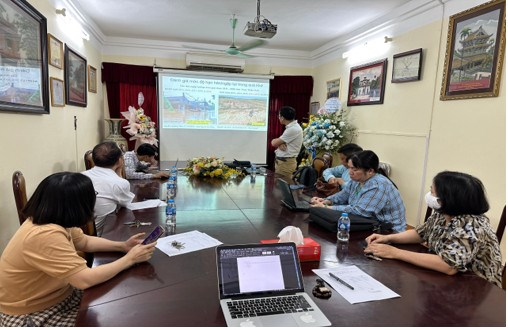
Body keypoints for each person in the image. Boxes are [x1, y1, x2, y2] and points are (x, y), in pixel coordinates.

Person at [0, 172, 156, 326]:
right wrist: (130, 259)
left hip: (61, 296)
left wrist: (122, 246)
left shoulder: (53, 219)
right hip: (33, 313)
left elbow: (84, 241)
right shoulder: (44, 234)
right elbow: (84, 279)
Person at [364, 171, 503, 287]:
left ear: (447, 198)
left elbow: (448, 266)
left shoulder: (471, 225)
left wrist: (394, 253)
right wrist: (388, 238)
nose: (429, 195)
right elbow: (420, 233)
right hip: (445, 279)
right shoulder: (444, 213)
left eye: (432, 191)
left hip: (474, 285)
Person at [310, 150, 406, 232]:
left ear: (370, 171)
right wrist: (326, 201)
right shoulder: (357, 179)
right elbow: (343, 195)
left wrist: (325, 207)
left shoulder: (378, 185)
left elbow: (360, 211)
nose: (350, 172)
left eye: (354, 169)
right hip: (368, 223)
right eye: (350, 168)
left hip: (388, 231)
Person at [82, 141, 135, 236]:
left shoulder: (81, 175)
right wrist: (119, 171)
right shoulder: (119, 183)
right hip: (100, 235)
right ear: (119, 160)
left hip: (74, 234)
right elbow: (126, 204)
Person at [270, 106, 303, 182]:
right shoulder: (290, 127)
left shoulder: (293, 129)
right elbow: (278, 142)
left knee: (281, 190)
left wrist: (278, 143)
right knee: (279, 188)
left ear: (282, 117)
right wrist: (280, 143)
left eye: (279, 116)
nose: (278, 118)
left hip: (285, 164)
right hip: (283, 163)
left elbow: (274, 143)